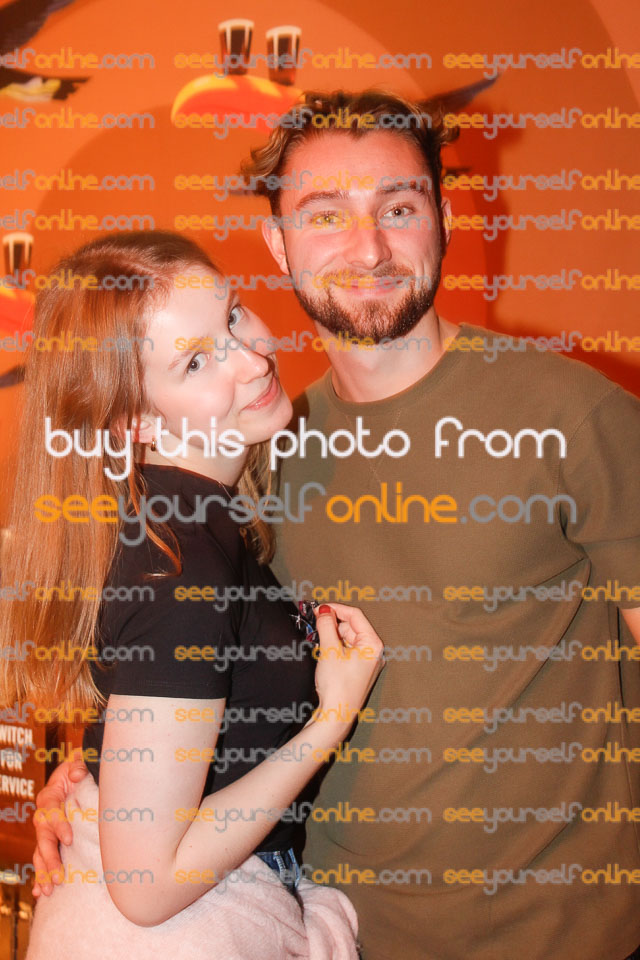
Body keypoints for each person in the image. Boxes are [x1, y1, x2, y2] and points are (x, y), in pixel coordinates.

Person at [33, 90, 640, 960]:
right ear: (278, 245)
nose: (368, 249)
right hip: (326, 931)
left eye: (398, 207)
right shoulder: (262, 452)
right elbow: (196, 682)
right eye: (326, 215)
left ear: (443, 218)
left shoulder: (573, 416)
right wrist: (95, 781)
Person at [0, 230, 384, 959]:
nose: (253, 358)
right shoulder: (180, 559)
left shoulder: (175, 519)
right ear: (134, 421)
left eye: (233, 316)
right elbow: (147, 885)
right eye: (196, 361)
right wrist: (329, 721)